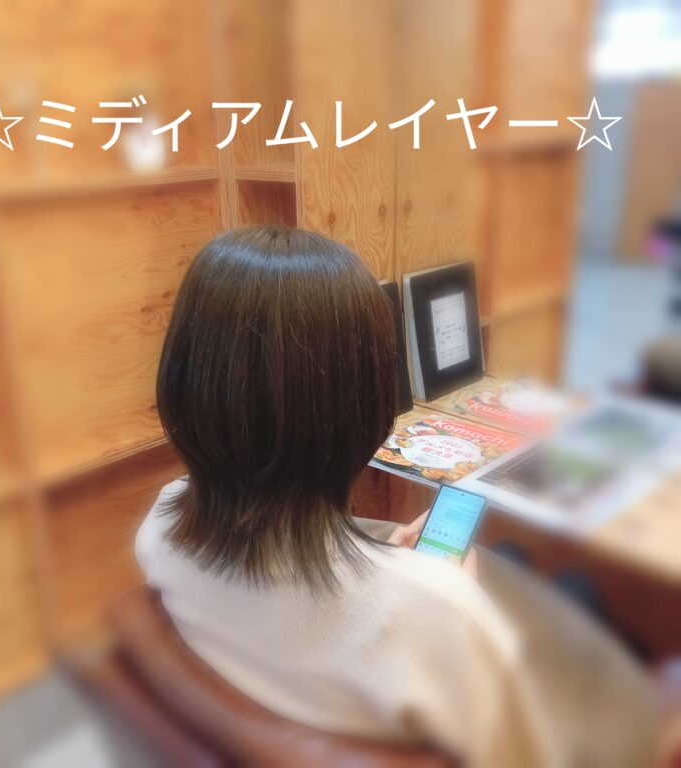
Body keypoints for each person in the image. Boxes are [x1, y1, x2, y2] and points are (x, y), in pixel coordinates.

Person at [136, 226, 657, 767]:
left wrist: (396, 563)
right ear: (365, 408)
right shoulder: (438, 615)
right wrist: (440, 590)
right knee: (575, 594)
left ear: (182, 385)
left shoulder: (159, 529)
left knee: (523, 567)